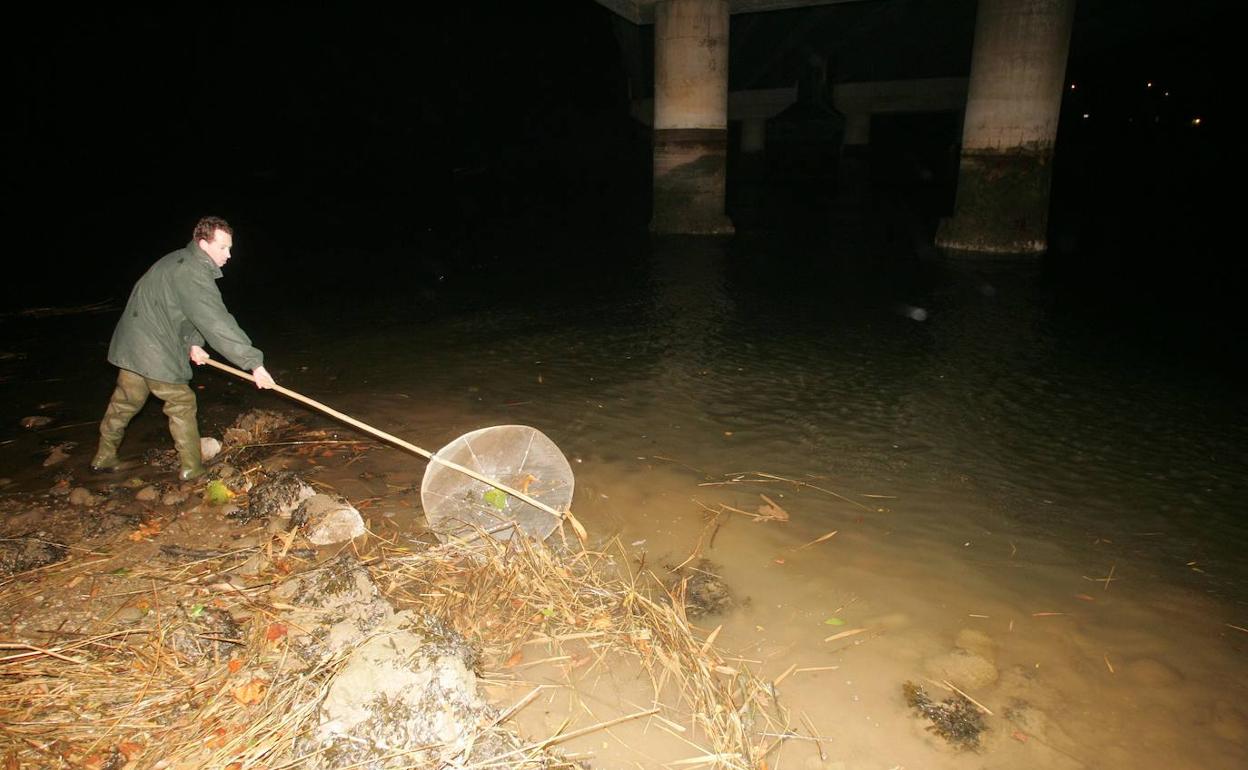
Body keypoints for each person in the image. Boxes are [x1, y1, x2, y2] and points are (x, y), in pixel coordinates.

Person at [90, 216, 277, 481]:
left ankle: (103, 457)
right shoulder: (192, 273)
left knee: (125, 402)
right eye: (223, 248)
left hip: (132, 344)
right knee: (181, 402)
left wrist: (193, 344)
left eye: (230, 247)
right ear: (203, 244)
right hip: (152, 346)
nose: (229, 255)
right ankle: (192, 469)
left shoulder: (178, 261)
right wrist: (253, 363)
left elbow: (181, 311)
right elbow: (215, 320)